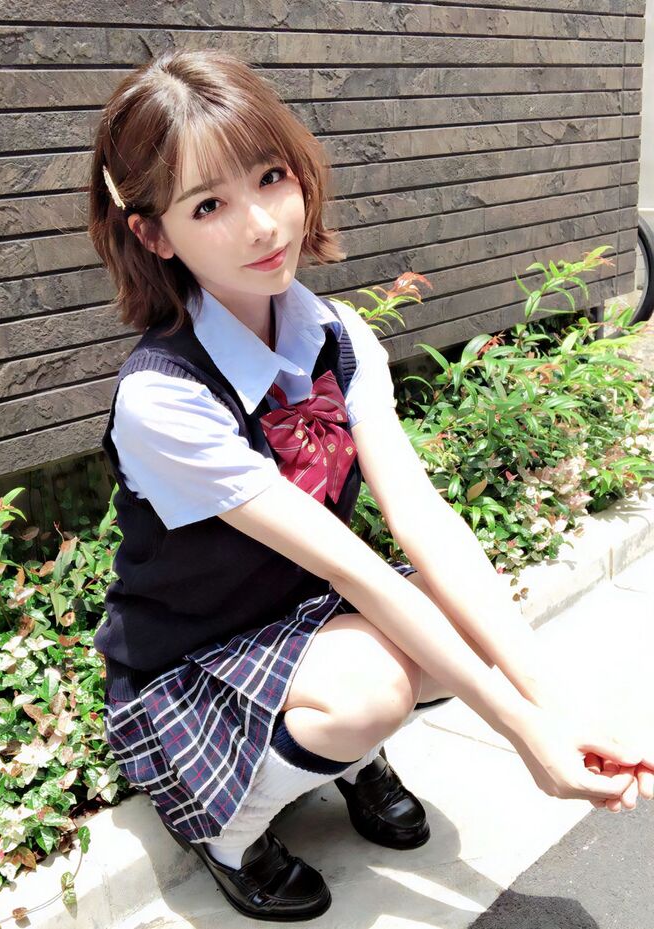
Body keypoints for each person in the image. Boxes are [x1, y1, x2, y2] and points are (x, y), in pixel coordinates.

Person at [88, 48, 653, 922]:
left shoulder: (337, 334)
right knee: (376, 690)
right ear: (154, 234)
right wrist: (525, 738)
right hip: (194, 652)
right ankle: (227, 828)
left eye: (270, 176)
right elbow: (352, 565)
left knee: (454, 610)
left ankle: (346, 754)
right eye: (208, 205)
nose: (262, 225)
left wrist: (557, 707)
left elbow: (421, 516)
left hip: (298, 611)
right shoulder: (165, 397)